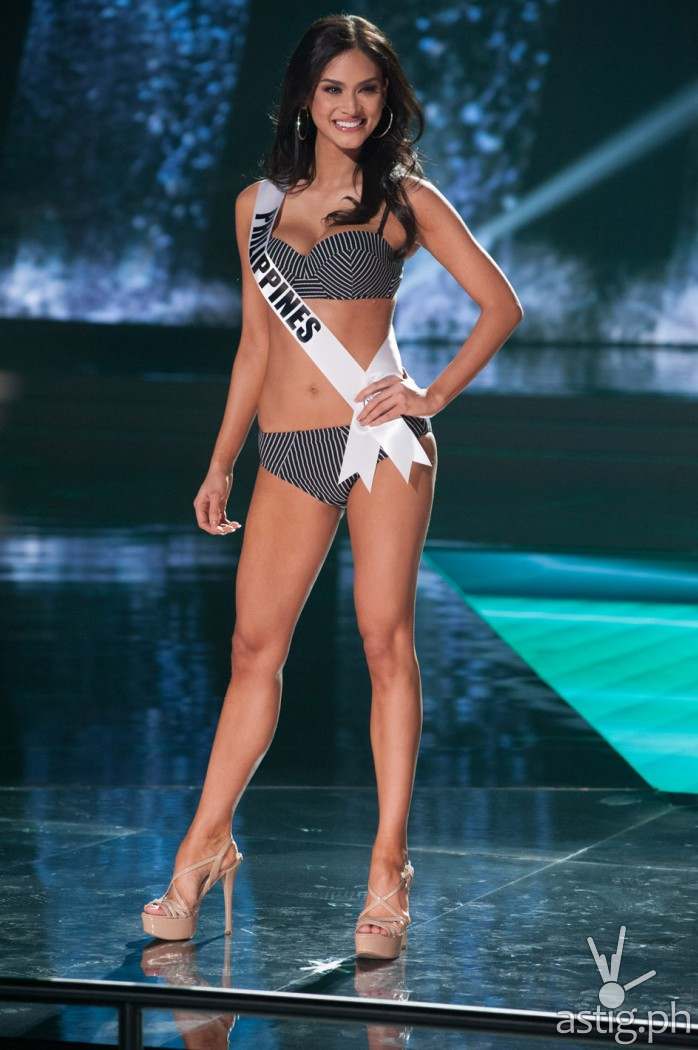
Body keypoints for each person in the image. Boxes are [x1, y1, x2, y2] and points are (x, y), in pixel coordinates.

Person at [142, 13, 523, 958]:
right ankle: (203, 849)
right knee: (251, 651)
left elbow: (500, 304)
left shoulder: (405, 198)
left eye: (366, 88)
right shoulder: (258, 208)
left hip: (382, 444)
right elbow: (255, 345)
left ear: (385, 98)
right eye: (332, 89)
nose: (350, 106)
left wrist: (430, 390)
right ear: (304, 101)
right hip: (287, 449)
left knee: (385, 642)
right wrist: (221, 459)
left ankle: (389, 870)